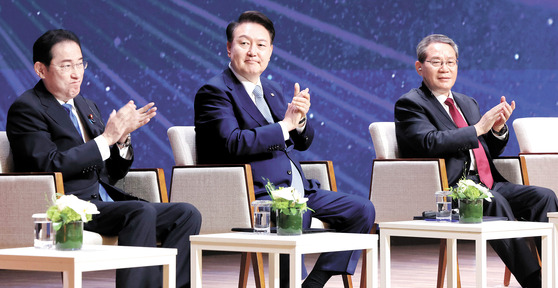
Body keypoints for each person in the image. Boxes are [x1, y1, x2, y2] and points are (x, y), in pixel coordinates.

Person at [6, 29, 201, 288]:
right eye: (66, 66)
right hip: (72, 208)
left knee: (187, 214)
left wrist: (120, 141)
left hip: (103, 204)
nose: (77, 73)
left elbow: (111, 173)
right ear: (41, 70)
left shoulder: (86, 106)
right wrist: (106, 138)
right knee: (139, 211)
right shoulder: (27, 109)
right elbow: (49, 165)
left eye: (80, 64)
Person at [194, 10, 375, 288]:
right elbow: (232, 142)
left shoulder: (272, 89)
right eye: (244, 43)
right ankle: (289, 281)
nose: (253, 51)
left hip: (298, 192)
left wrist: (299, 121)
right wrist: (284, 125)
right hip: (258, 196)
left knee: (362, 209)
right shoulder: (215, 92)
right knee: (293, 216)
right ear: (229, 48)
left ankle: (314, 282)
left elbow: (302, 142)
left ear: (270, 52)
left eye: (261, 45)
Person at [395, 33, 558, 288]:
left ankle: (556, 272)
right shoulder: (410, 104)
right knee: (495, 201)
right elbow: (428, 142)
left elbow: (484, 150)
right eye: (437, 62)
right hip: (451, 191)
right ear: (419, 67)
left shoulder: (466, 103)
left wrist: (496, 130)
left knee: (544, 197)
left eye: (451, 62)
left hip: (487, 182)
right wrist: (478, 129)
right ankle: (535, 281)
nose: (445, 68)